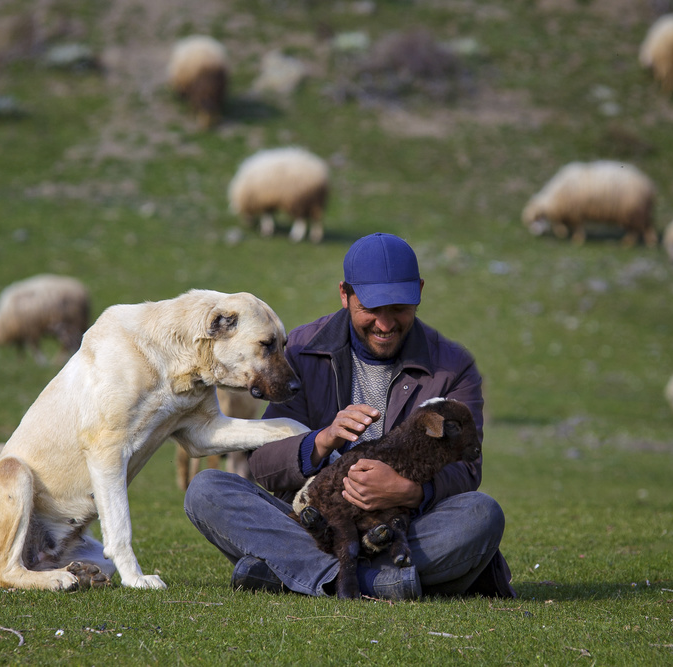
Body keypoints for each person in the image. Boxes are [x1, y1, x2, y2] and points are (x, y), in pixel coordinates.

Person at [184, 233, 515, 600]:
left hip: (401, 527)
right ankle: (375, 583)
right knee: (207, 489)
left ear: (419, 291)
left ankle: (294, 574)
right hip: (317, 524)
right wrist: (320, 441)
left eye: (399, 308)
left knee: (482, 514)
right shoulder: (303, 350)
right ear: (345, 294)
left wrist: (411, 491)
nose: (386, 324)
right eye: (372, 308)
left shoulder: (454, 367)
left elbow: (468, 469)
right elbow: (262, 466)